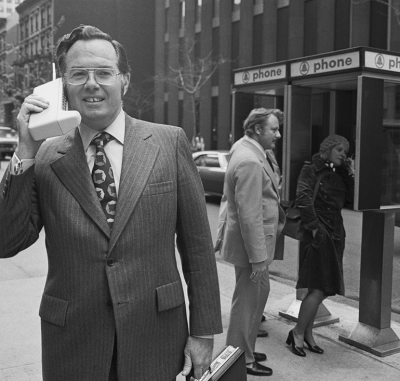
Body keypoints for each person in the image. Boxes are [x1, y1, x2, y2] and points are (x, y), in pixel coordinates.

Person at [0, 25, 222, 381]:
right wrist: (24, 150)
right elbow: (6, 241)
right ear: (61, 87)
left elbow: (197, 247)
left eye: (104, 72)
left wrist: (203, 331)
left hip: (157, 334)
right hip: (72, 341)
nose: (92, 83)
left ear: (125, 81)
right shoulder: (43, 157)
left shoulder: (169, 143)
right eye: (78, 74)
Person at [220, 108, 286, 377]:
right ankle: (240, 360)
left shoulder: (250, 149)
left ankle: (245, 348)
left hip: (255, 243)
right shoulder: (249, 159)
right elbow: (248, 214)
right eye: (274, 129)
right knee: (246, 305)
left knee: (257, 299)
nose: (278, 134)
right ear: (258, 129)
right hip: (252, 247)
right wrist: (258, 257)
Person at [286, 135, 354, 357]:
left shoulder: (339, 173)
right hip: (320, 234)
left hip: (335, 234)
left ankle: (305, 333)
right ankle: (298, 333)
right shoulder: (310, 169)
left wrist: (350, 172)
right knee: (318, 287)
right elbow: (303, 197)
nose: (344, 153)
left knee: (324, 288)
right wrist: (315, 229)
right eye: (340, 149)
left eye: (346, 151)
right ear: (328, 149)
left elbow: (353, 201)